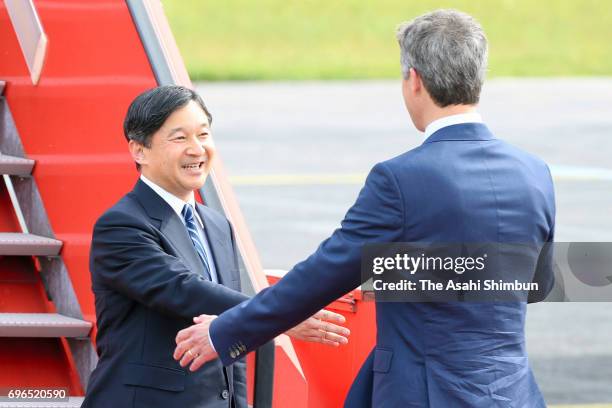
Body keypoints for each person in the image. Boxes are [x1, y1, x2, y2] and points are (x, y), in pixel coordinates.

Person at [173, 9, 556, 407]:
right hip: (513, 393)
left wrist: (225, 332)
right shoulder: (534, 172)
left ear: (415, 80)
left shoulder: (401, 178)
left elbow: (321, 277)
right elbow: (536, 284)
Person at [82, 86, 349, 408]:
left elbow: (228, 338)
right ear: (139, 151)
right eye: (179, 138)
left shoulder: (217, 224)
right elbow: (184, 290)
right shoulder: (122, 225)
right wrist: (281, 314)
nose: (197, 149)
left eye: (203, 134)